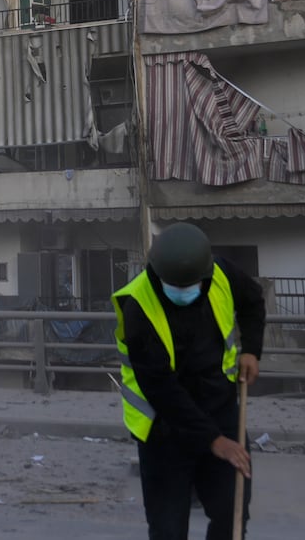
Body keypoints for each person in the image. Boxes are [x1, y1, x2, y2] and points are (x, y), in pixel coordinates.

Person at [114, 223, 266, 540]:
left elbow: (252, 301)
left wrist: (252, 350)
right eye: (175, 285)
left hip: (220, 410)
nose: (183, 290)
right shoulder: (138, 308)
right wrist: (214, 441)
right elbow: (162, 389)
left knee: (232, 514)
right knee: (168, 529)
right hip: (164, 428)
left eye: (191, 284)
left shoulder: (220, 273)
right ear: (157, 274)